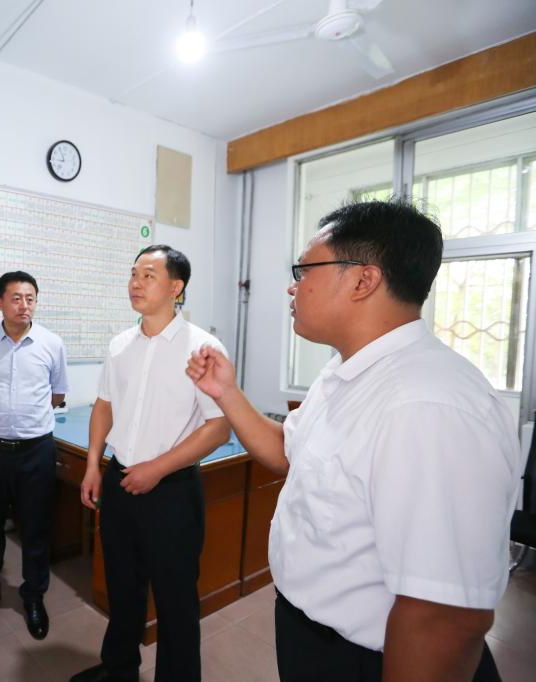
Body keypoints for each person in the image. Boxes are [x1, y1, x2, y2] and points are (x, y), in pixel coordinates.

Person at [187, 199, 522, 682]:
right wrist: (227, 392)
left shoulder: (427, 405)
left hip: (368, 660)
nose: (293, 285)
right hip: (311, 635)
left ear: (363, 281)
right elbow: (287, 453)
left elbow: (444, 618)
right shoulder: (346, 372)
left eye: (304, 270)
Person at [71, 245, 231, 682]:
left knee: (176, 600)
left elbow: (219, 427)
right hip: (119, 479)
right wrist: (93, 465)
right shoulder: (120, 344)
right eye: (133, 274)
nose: (135, 283)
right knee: (122, 587)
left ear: (176, 287)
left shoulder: (203, 348)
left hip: (172, 491)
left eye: (148, 275)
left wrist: (157, 468)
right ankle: (119, 668)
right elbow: (104, 405)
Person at [0, 271, 69, 639]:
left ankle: (33, 595)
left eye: (30, 298)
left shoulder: (52, 344)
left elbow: (57, 395)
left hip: (36, 450)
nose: (24, 305)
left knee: (35, 525)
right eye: (16, 298)